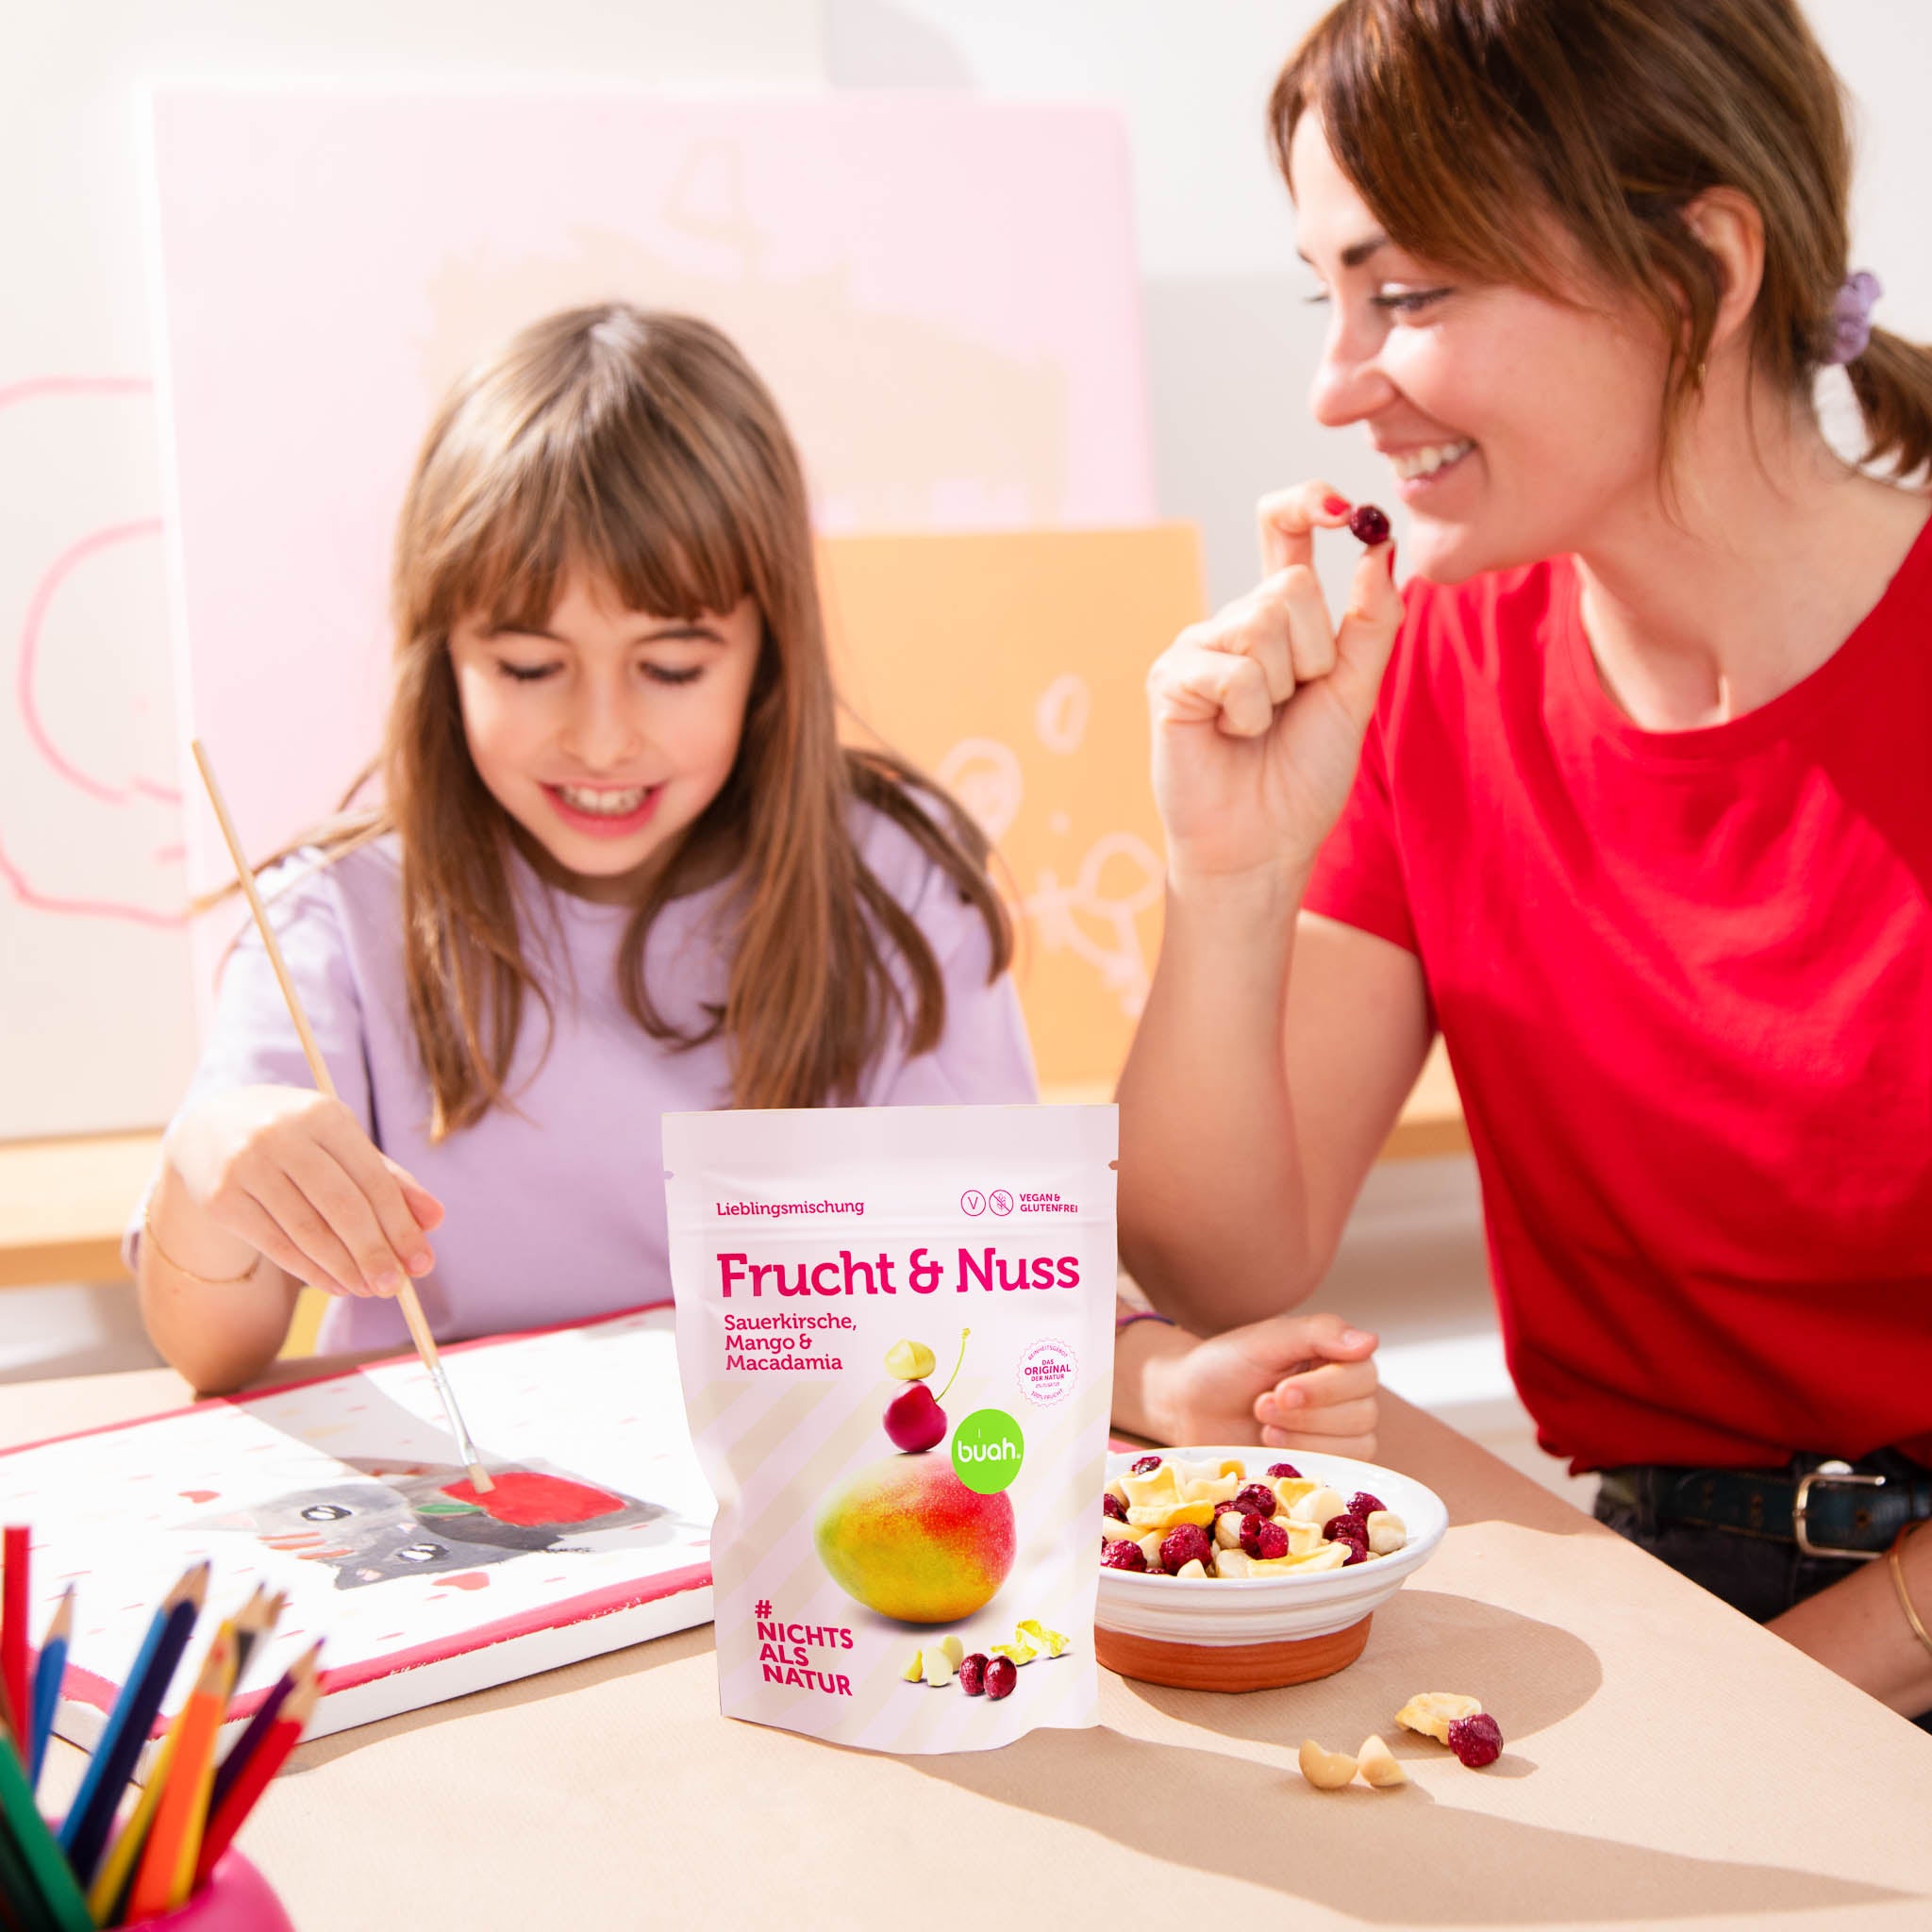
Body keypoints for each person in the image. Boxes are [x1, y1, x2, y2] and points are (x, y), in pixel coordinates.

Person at [135, 303, 1380, 1461]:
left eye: (672, 667)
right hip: (472, 1539)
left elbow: (986, 1271)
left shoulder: (884, 886)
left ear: (764, 655)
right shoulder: (333, 921)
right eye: (527, 666)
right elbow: (213, 1346)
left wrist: (1161, 1384)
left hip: (808, 1525)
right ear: (442, 654)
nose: (604, 737)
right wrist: (209, 1163)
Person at [1119, 0, 1932, 1721]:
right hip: (1669, 1601)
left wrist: (1784, 1706)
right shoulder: (1441, 665)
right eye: (1325, 296)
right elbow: (1225, 1269)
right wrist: (1232, 879)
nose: (1336, 384)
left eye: (1407, 295)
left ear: (1701, 268)